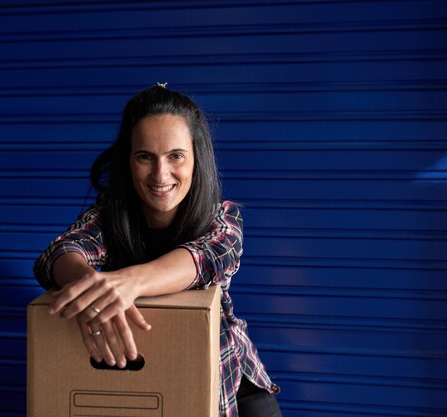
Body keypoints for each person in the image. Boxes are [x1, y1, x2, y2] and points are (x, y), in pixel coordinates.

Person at [33, 84, 282, 417]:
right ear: (128, 161)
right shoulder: (110, 216)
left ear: (196, 159)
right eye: (144, 157)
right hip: (151, 378)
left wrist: (128, 283)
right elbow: (59, 254)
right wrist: (92, 288)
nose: (160, 174)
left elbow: (206, 258)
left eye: (175, 156)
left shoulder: (222, 218)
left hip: (233, 382)